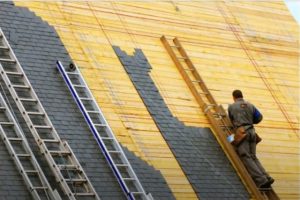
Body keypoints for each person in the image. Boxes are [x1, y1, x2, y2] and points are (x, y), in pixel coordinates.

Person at [228, 89, 274, 189]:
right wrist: (249, 120)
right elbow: (259, 117)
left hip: (242, 132)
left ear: (234, 97)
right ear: (242, 96)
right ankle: (266, 177)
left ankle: (261, 180)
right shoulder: (251, 105)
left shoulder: (231, 107)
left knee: (245, 156)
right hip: (252, 132)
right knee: (253, 156)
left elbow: (231, 120)